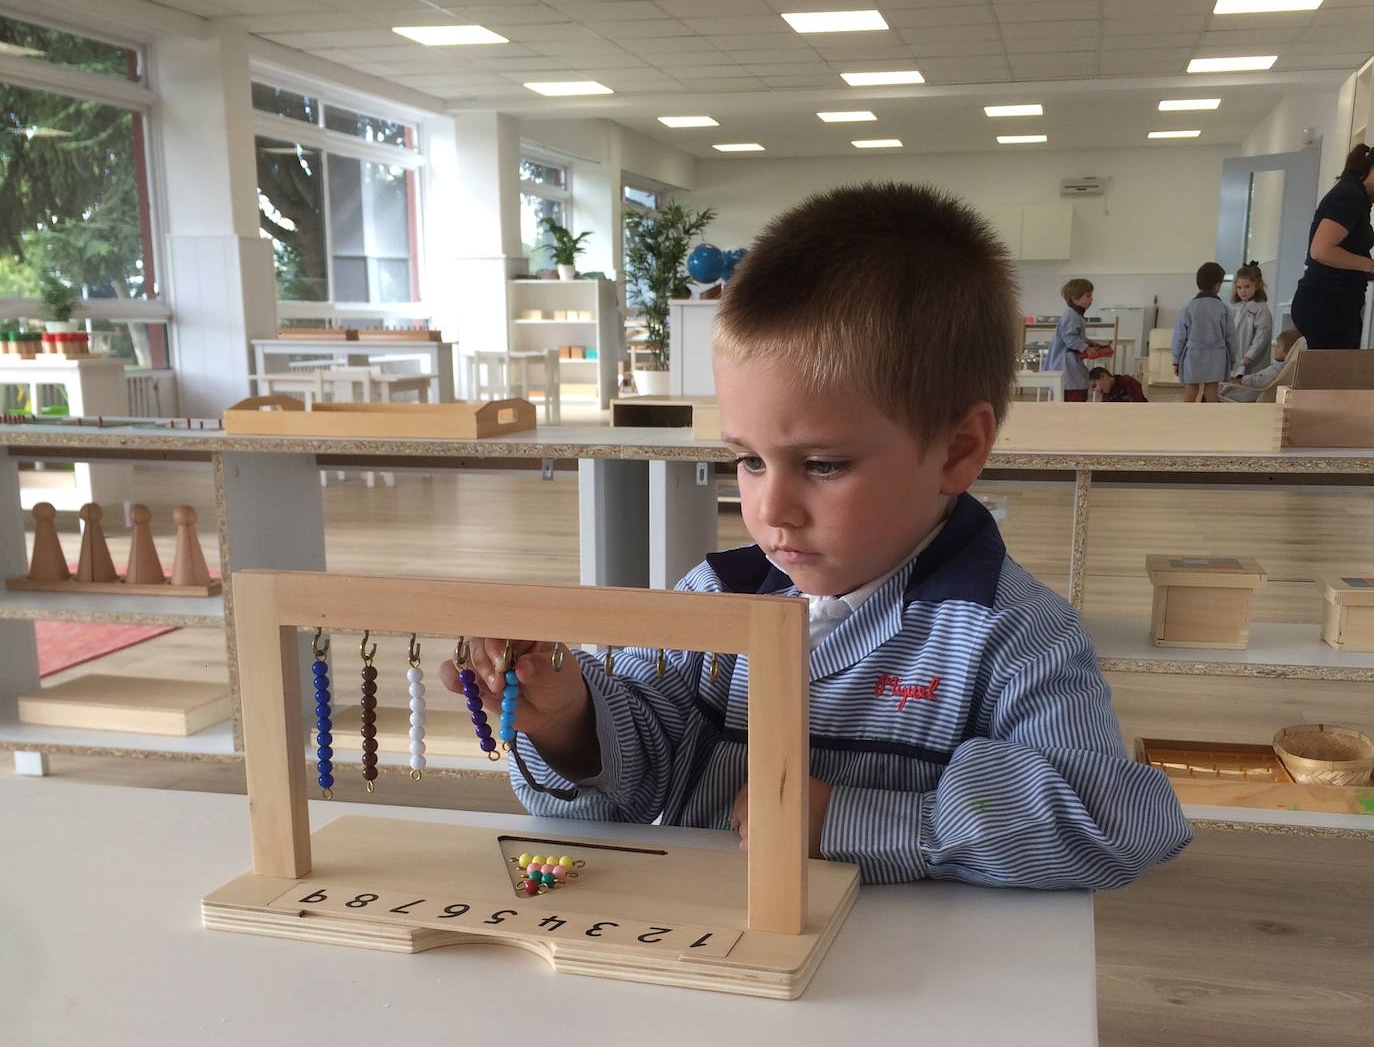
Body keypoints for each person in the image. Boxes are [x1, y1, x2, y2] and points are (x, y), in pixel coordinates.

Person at [441, 182, 1192, 889]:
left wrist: (855, 818)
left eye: (824, 464)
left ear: (959, 451)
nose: (773, 507)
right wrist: (567, 719)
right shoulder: (714, 601)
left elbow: (1118, 820)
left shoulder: (1015, 633)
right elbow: (639, 781)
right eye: (748, 460)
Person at [1291, 143, 1374, 350]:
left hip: (1329, 300)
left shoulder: (1355, 195)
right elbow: (1321, 250)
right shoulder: (1351, 196)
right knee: (1330, 378)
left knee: (1329, 377)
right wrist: (1370, 265)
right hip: (1328, 302)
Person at [1173, 262, 1238, 403]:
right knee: (1211, 390)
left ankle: (1185, 420)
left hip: (1193, 354)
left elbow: (1179, 337)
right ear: (1217, 285)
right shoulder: (1223, 308)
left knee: (1191, 389)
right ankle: (1212, 421)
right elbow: (1231, 336)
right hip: (1217, 355)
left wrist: (1176, 360)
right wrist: (1232, 358)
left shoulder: (1188, 308)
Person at [1042, 278, 1094, 401]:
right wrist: (1086, 348)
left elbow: (1076, 336)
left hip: (1069, 363)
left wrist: (1090, 343)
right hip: (1065, 365)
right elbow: (1069, 338)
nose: (1091, 299)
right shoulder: (1072, 315)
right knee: (1074, 395)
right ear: (1075, 297)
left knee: (1078, 388)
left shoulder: (1075, 314)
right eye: (1088, 296)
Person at [1220, 328, 1301, 403]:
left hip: (1249, 396)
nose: (1275, 348)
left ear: (1288, 351)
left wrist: (1241, 380)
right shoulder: (1286, 367)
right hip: (1251, 392)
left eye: (1278, 346)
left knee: (1220, 392)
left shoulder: (1277, 369)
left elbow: (1260, 381)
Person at [1231, 262, 1273, 375]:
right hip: (1237, 357)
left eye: (1247, 287)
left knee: (1248, 384)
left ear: (1257, 285)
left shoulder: (1261, 308)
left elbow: (1262, 334)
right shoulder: (1236, 308)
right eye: (1239, 287)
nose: (1243, 291)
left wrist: (1250, 354)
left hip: (1253, 360)